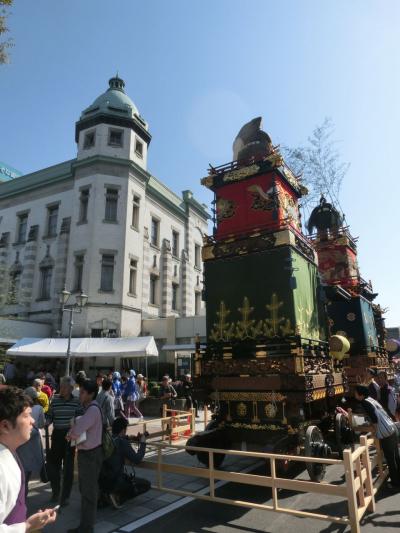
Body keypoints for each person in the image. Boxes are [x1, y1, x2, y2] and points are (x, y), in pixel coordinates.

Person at [0, 387, 57, 531]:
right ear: (5, 426)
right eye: (26, 416)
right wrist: (28, 526)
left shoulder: (10, 452)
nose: (32, 421)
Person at [67, 379, 103, 533]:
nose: (79, 395)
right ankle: (86, 525)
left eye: (82, 392)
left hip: (90, 454)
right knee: (86, 489)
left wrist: (70, 434)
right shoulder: (90, 408)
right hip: (90, 453)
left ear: (91, 394)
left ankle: (86, 527)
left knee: (88, 491)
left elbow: (77, 430)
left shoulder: (92, 410)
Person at [354, 384, 400, 489]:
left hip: (386, 433)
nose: (354, 394)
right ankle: (397, 480)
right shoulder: (371, 399)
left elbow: (374, 419)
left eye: (355, 392)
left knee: (390, 459)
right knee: (396, 457)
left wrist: (374, 432)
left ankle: (395, 483)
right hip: (391, 428)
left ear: (360, 394)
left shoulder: (365, 402)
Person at [46, 376, 83, 506]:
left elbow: (80, 418)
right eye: (60, 386)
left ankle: (65, 496)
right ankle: (56, 492)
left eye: (64, 387)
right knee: (54, 466)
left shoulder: (77, 402)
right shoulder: (55, 400)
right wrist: (47, 421)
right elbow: (50, 415)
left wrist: (74, 430)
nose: (61, 389)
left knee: (68, 468)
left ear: (71, 389)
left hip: (70, 437)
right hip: (57, 436)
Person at [99, 417, 150, 508]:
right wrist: (142, 443)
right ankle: (118, 496)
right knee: (146, 484)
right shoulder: (122, 442)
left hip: (102, 479)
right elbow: (137, 459)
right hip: (115, 479)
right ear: (123, 430)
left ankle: (107, 495)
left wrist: (129, 437)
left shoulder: (108, 439)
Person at [16, 387, 45, 497]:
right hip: (32, 443)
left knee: (20, 469)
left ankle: (20, 498)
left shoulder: (20, 408)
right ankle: (23, 499)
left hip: (21, 442)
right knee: (26, 473)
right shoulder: (39, 408)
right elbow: (42, 424)